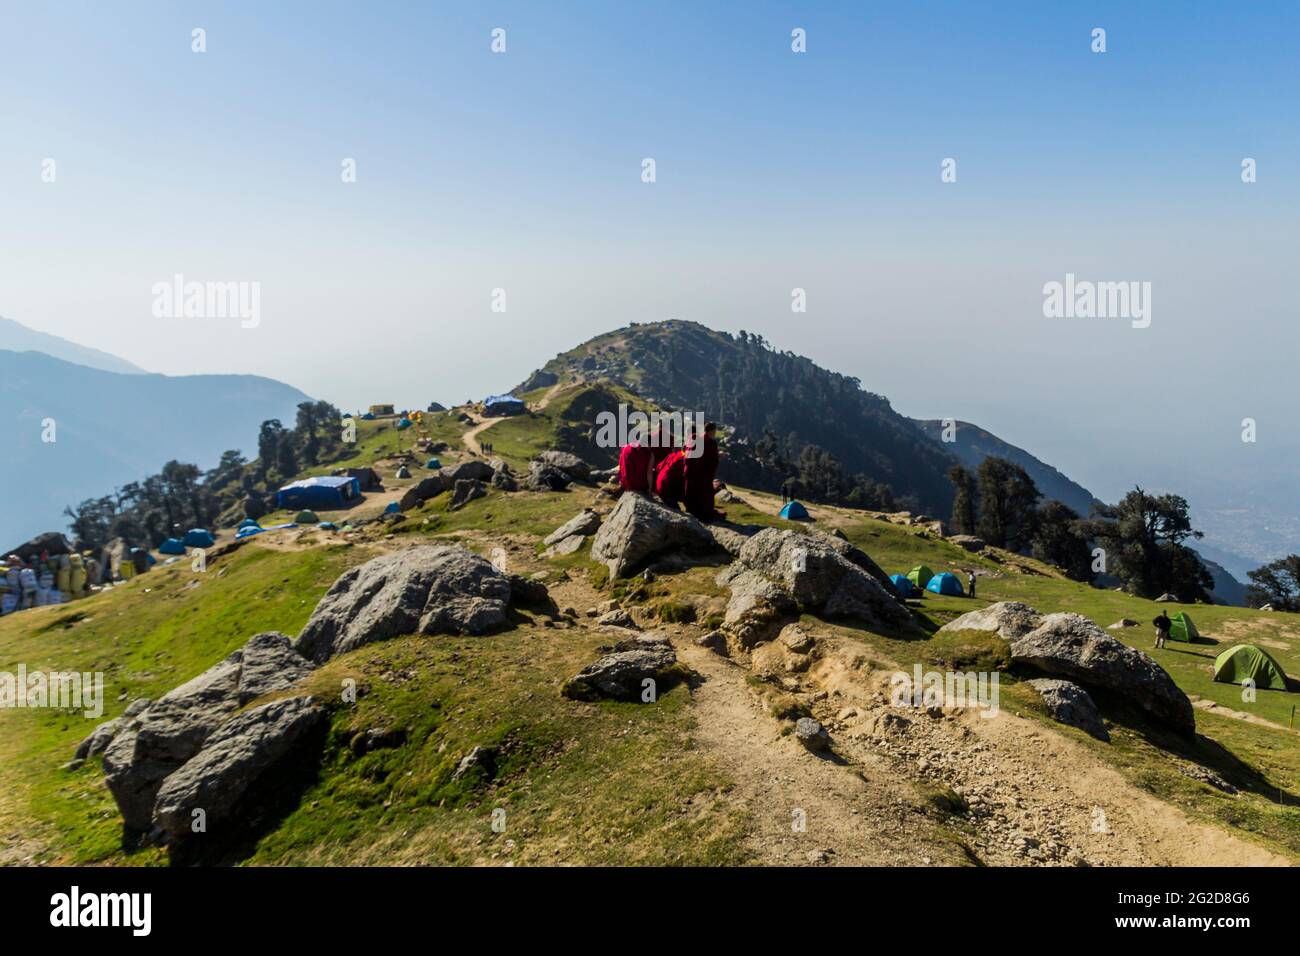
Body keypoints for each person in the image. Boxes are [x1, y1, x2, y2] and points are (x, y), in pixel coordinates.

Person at [683, 422, 724, 521]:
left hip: (692, 472)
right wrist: (719, 456)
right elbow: (712, 460)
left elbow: (686, 454)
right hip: (702, 475)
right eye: (714, 431)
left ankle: (691, 511)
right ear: (712, 431)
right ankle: (703, 514)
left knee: (692, 494)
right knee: (705, 495)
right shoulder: (711, 443)